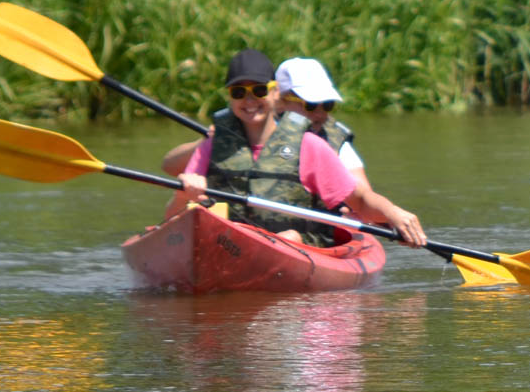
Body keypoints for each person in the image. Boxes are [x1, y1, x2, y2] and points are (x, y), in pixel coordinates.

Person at [166, 48, 427, 248]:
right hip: (227, 243)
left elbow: (359, 199)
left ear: (275, 93)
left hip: (295, 243)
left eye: (259, 90)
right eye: (238, 92)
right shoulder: (211, 146)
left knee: (289, 236)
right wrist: (183, 194)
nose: (249, 100)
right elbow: (171, 218)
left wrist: (393, 213)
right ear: (229, 97)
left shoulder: (310, 146)